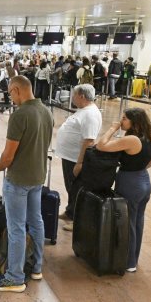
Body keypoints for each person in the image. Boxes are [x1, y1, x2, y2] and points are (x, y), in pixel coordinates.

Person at [0, 75, 53, 293]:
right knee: (36, 221)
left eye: (9, 93)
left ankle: (14, 277)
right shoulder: (46, 111)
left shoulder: (20, 115)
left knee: (16, 227)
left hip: (19, 180)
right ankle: (36, 267)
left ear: (16, 90)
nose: (9, 97)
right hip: (38, 176)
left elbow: (9, 154)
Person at [96, 108, 151, 273]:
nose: (121, 121)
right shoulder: (149, 136)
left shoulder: (132, 140)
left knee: (128, 222)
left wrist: (113, 128)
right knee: (138, 221)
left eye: (124, 118)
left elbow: (101, 145)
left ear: (134, 122)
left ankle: (129, 262)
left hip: (130, 182)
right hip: (143, 180)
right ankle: (134, 258)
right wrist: (140, 167)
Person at [55, 84, 102, 231]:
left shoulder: (91, 114)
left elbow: (89, 141)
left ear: (81, 96)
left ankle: (78, 220)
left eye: (74, 95)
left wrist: (80, 162)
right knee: (71, 187)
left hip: (76, 159)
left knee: (77, 189)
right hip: (69, 156)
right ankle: (70, 211)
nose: (72, 97)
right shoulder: (84, 110)